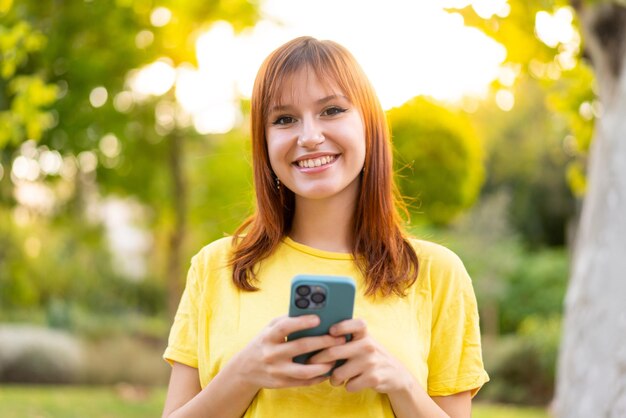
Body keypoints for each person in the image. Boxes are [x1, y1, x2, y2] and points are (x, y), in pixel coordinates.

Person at [162, 36, 489, 418]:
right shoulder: (215, 267)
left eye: (332, 110)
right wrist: (244, 374)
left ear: (368, 125)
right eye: (284, 119)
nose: (310, 136)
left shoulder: (437, 273)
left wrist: (399, 382)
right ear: (263, 143)